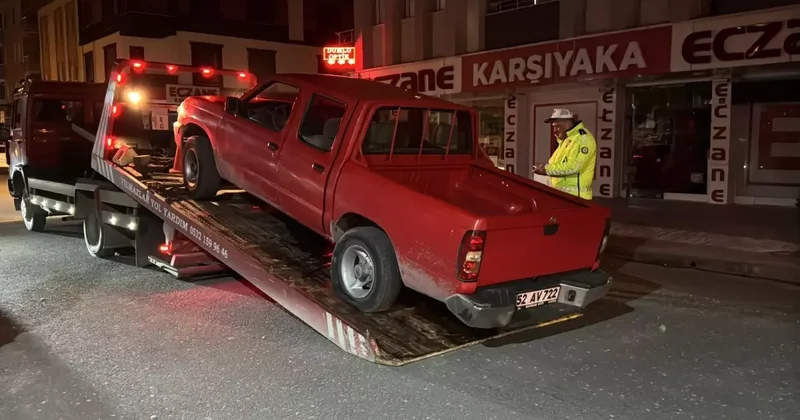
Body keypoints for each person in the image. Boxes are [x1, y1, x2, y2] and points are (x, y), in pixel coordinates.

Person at [533, 108, 597, 200]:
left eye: (557, 126)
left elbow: (574, 167)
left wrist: (546, 169)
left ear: (568, 123)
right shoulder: (565, 140)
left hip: (576, 199)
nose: (554, 130)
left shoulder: (583, 139)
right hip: (562, 197)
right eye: (553, 126)